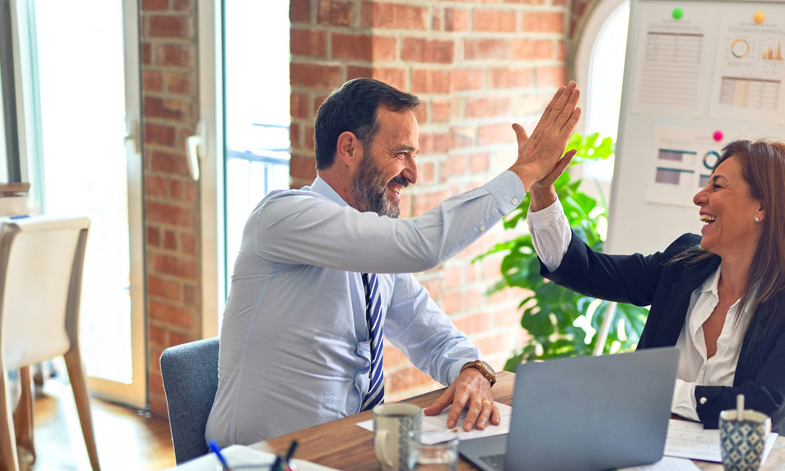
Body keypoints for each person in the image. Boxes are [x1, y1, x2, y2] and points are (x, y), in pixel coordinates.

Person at [205, 78, 580, 446]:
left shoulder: (373, 251)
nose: (413, 174)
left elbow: (430, 333)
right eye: (402, 153)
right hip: (260, 468)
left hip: (345, 452)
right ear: (349, 148)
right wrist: (526, 171)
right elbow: (422, 246)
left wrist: (471, 369)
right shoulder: (283, 216)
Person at [526, 139, 785, 437]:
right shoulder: (684, 264)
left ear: (763, 207)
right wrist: (542, 191)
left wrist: (656, 389)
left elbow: (763, 408)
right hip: (647, 451)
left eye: (717, 186)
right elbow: (586, 270)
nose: (699, 197)